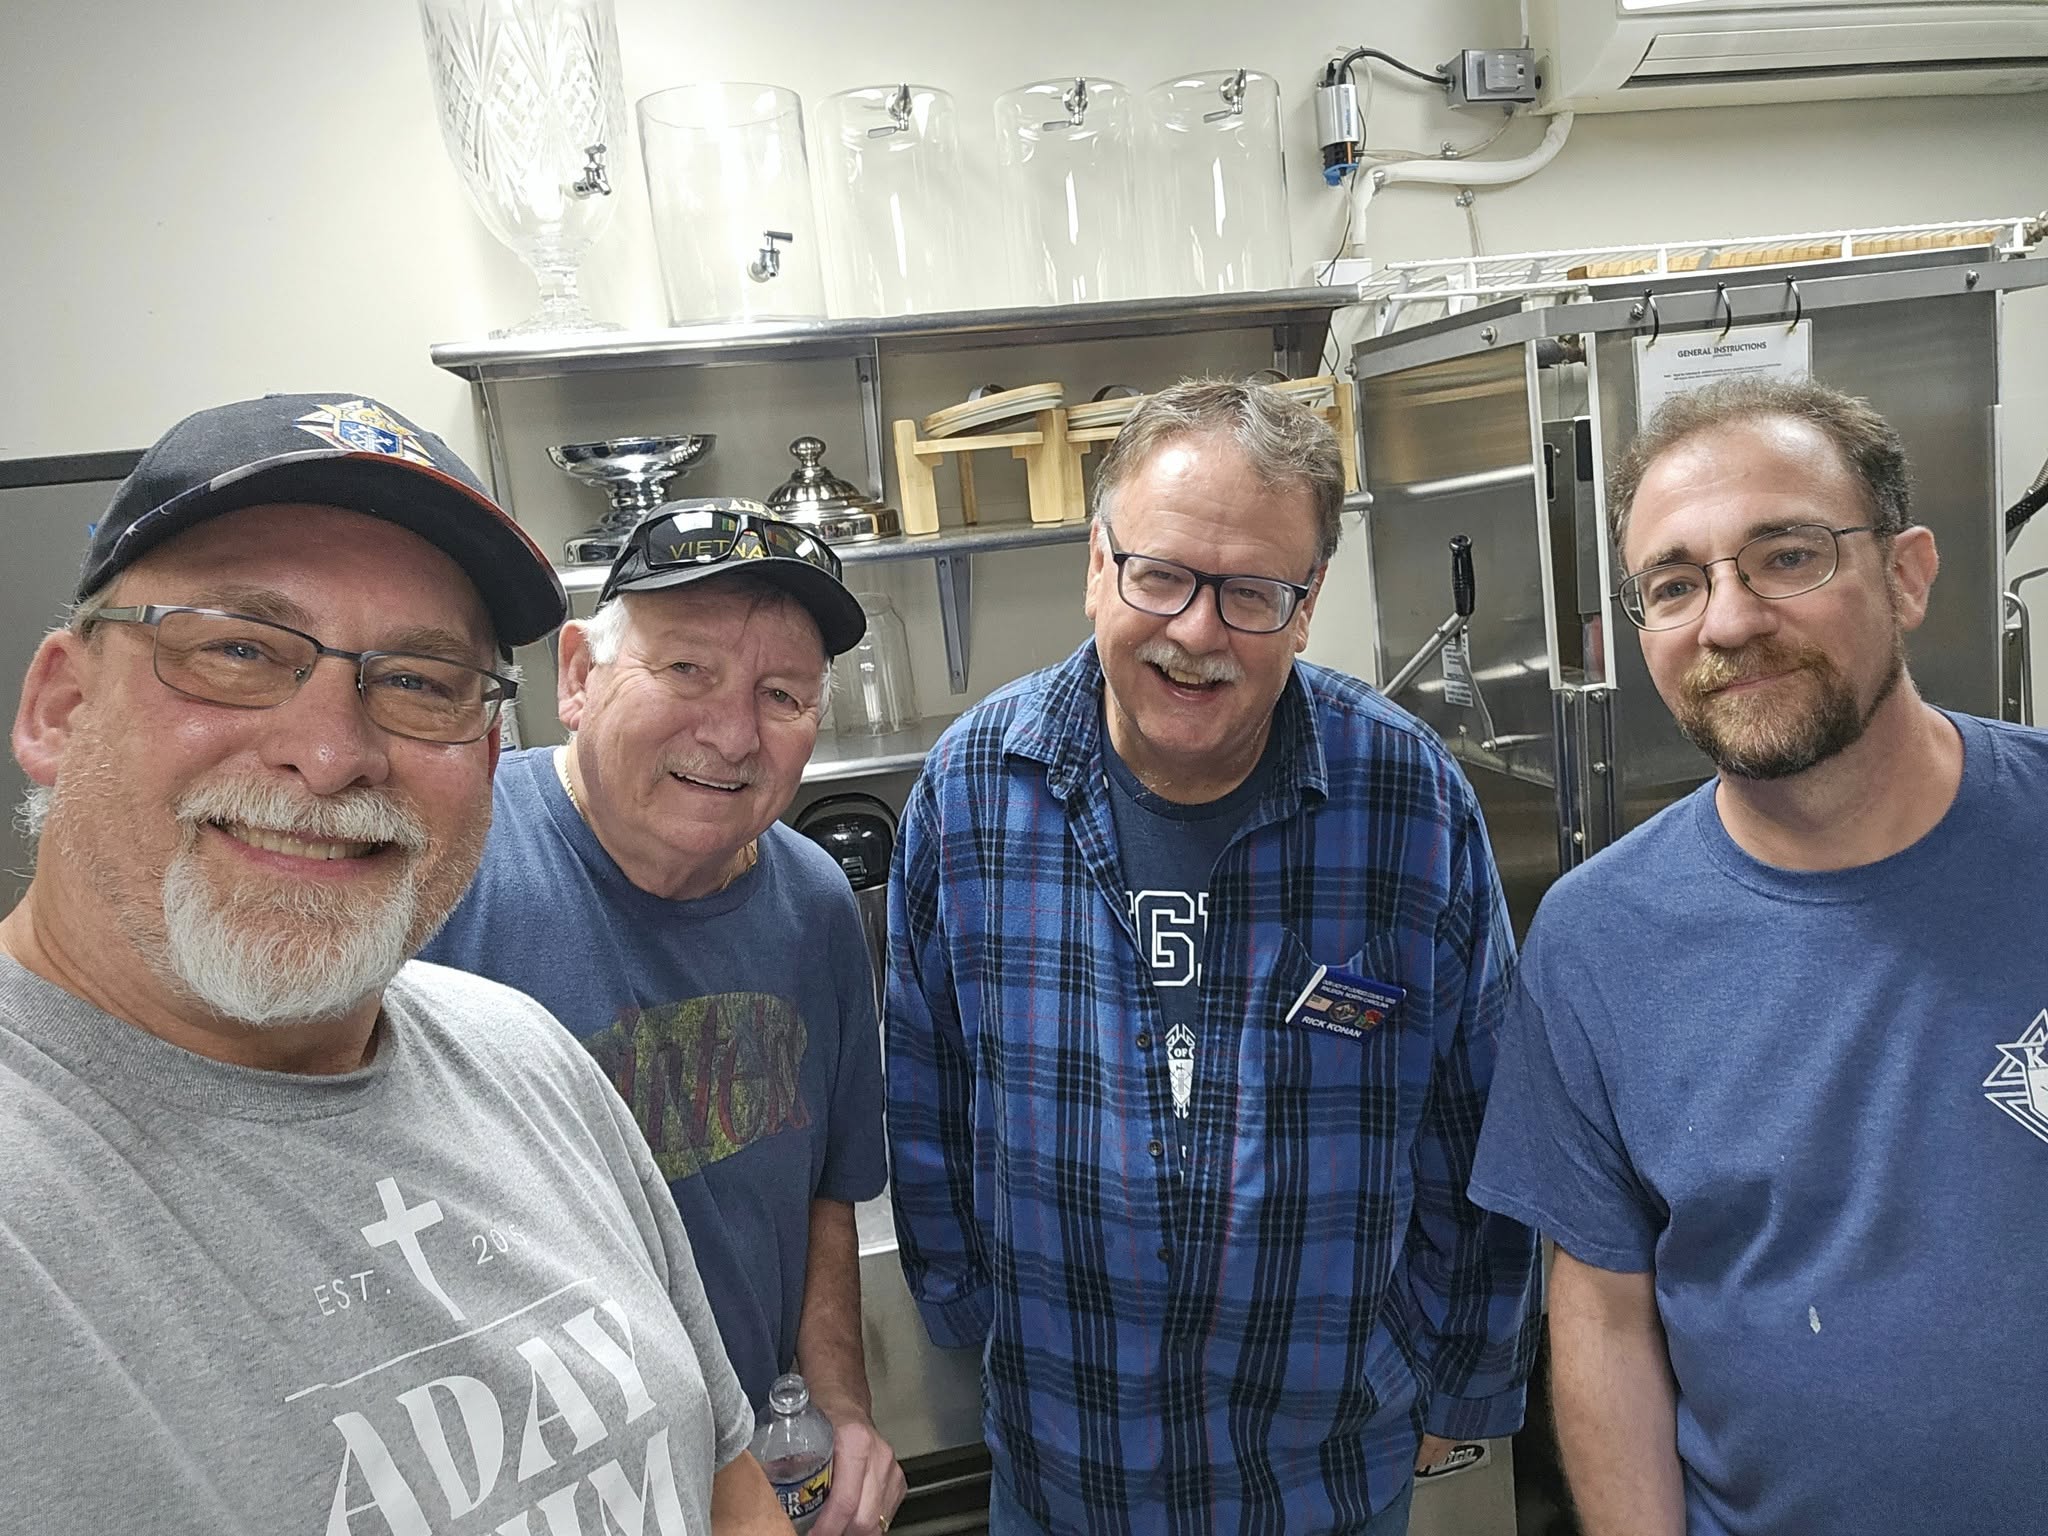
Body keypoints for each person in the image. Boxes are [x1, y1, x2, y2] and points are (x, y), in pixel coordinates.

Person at [0, 394, 792, 1535]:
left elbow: (722, 1482)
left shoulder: (524, 1058)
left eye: (420, 679)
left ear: (488, 750)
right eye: (238, 650)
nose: (331, 753)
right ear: (60, 707)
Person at [885, 379, 1542, 1535]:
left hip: (1325, 1470)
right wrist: (964, 1306)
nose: (1195, 632)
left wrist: (1462, 1373)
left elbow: (1477, 1115)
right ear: (1097, 563)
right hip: (1065, 1456)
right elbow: (926, 1086)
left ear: (1307, 602)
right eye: (1160, 576)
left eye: (1249, 592)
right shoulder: (974, 786)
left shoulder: (1407, 796)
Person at [1469, 377, 2048, 1535]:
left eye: (1786, 556)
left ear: (1905, 574)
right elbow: (1604, 1317)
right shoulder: (1593, 942)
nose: (1727, 622)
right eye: (1673, 584)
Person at [423, 503, 902, 1535]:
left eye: (783, 695)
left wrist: (839, 1410)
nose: (733, 733)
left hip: (754, 1486)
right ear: (578, 676)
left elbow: (826, 1194)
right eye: (687, 670)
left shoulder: (815, 906)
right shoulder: (444, 874)